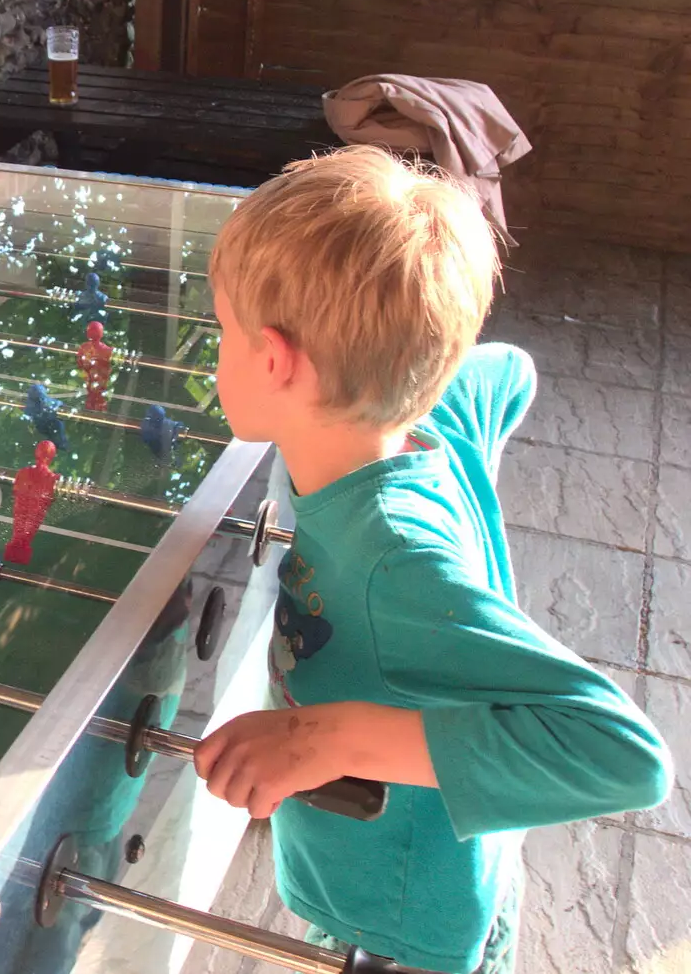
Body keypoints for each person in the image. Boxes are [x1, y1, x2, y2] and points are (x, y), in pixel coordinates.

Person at [192, 145, 670, 974]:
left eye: (222, 328)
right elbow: (507, 372)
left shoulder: (396, 556)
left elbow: (624, 756)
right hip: (406, 861)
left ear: (273, 360)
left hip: (413, 920)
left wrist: (322, 738)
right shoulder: (433, 412)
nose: (216, 348)